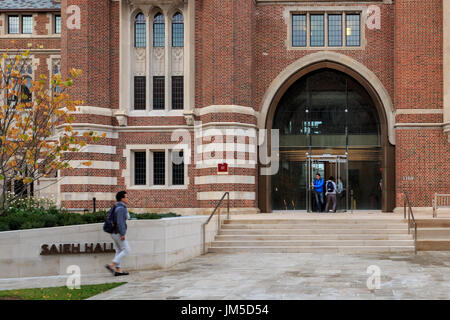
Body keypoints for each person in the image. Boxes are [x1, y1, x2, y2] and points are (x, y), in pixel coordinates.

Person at [105, 191, 130, 276]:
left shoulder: (116, 206)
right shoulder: (121, 208)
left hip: (114, 232)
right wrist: (123, 233)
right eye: (126, 197)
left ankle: (118, 270)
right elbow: (120, 222)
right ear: (122, 199)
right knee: (126, 250)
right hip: (118, 232)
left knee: (119, 250)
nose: (128, 199)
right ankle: (111, 265)